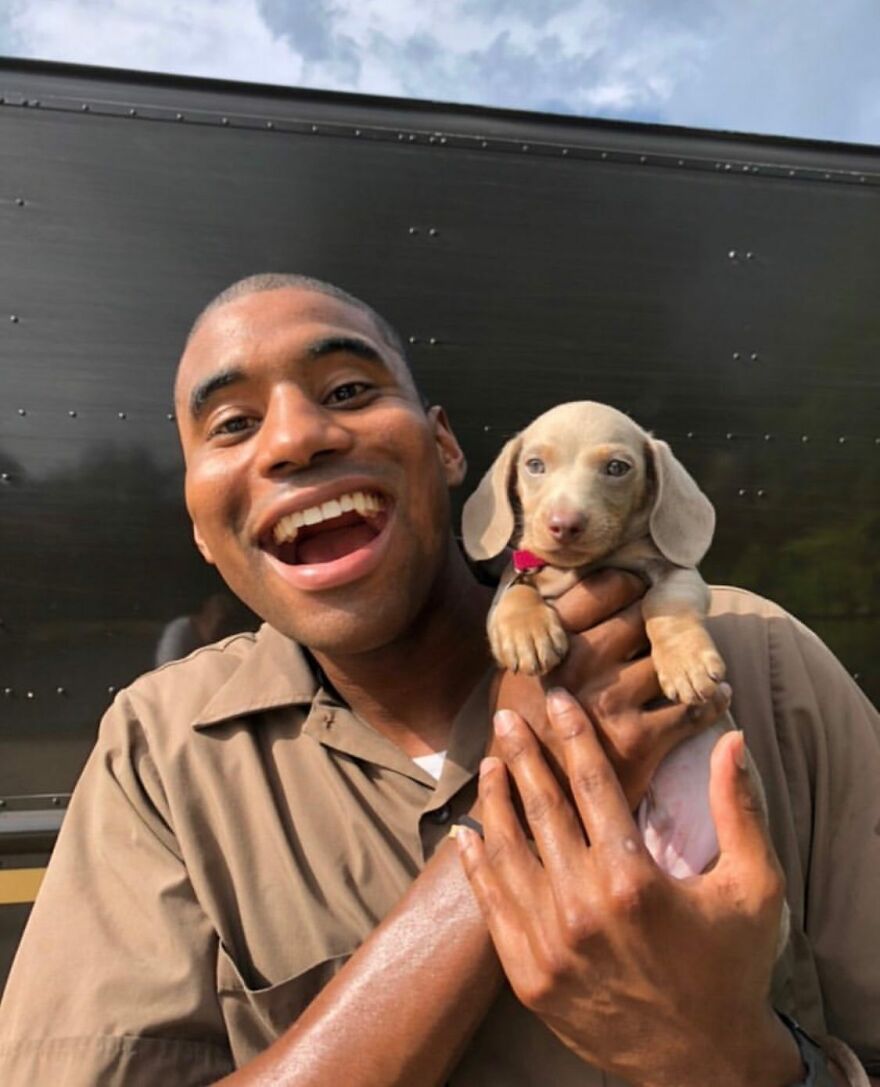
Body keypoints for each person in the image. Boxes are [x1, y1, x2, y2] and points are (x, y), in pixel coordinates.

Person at [0, 274, 877, 1086]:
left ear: (447, 446)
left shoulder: (755, 658)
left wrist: (734, 1053)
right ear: (199, 520)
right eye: (231, 424)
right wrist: (515, 819)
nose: (298, 438)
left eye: (347, 391)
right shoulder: (162, 751)